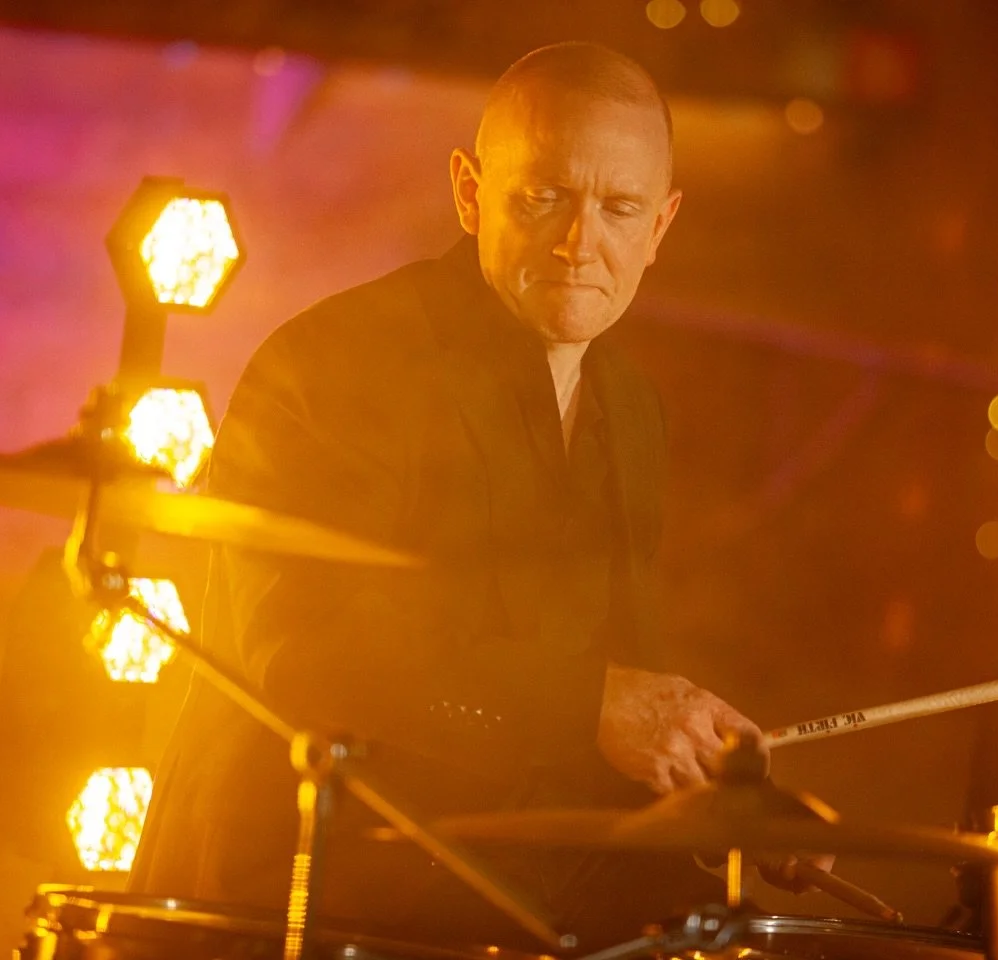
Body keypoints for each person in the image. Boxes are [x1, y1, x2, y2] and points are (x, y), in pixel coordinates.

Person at [131, 41, 827, 949]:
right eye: (544, 197)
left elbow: (622, 696)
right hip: (299, 893)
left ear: (661, 226)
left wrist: (723, 799)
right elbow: (306, 658)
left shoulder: (631, 408)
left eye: (620, 209)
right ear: (469, 192)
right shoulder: (336, 362)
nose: (580, 244)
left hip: (507, 891)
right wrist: (589, 707)